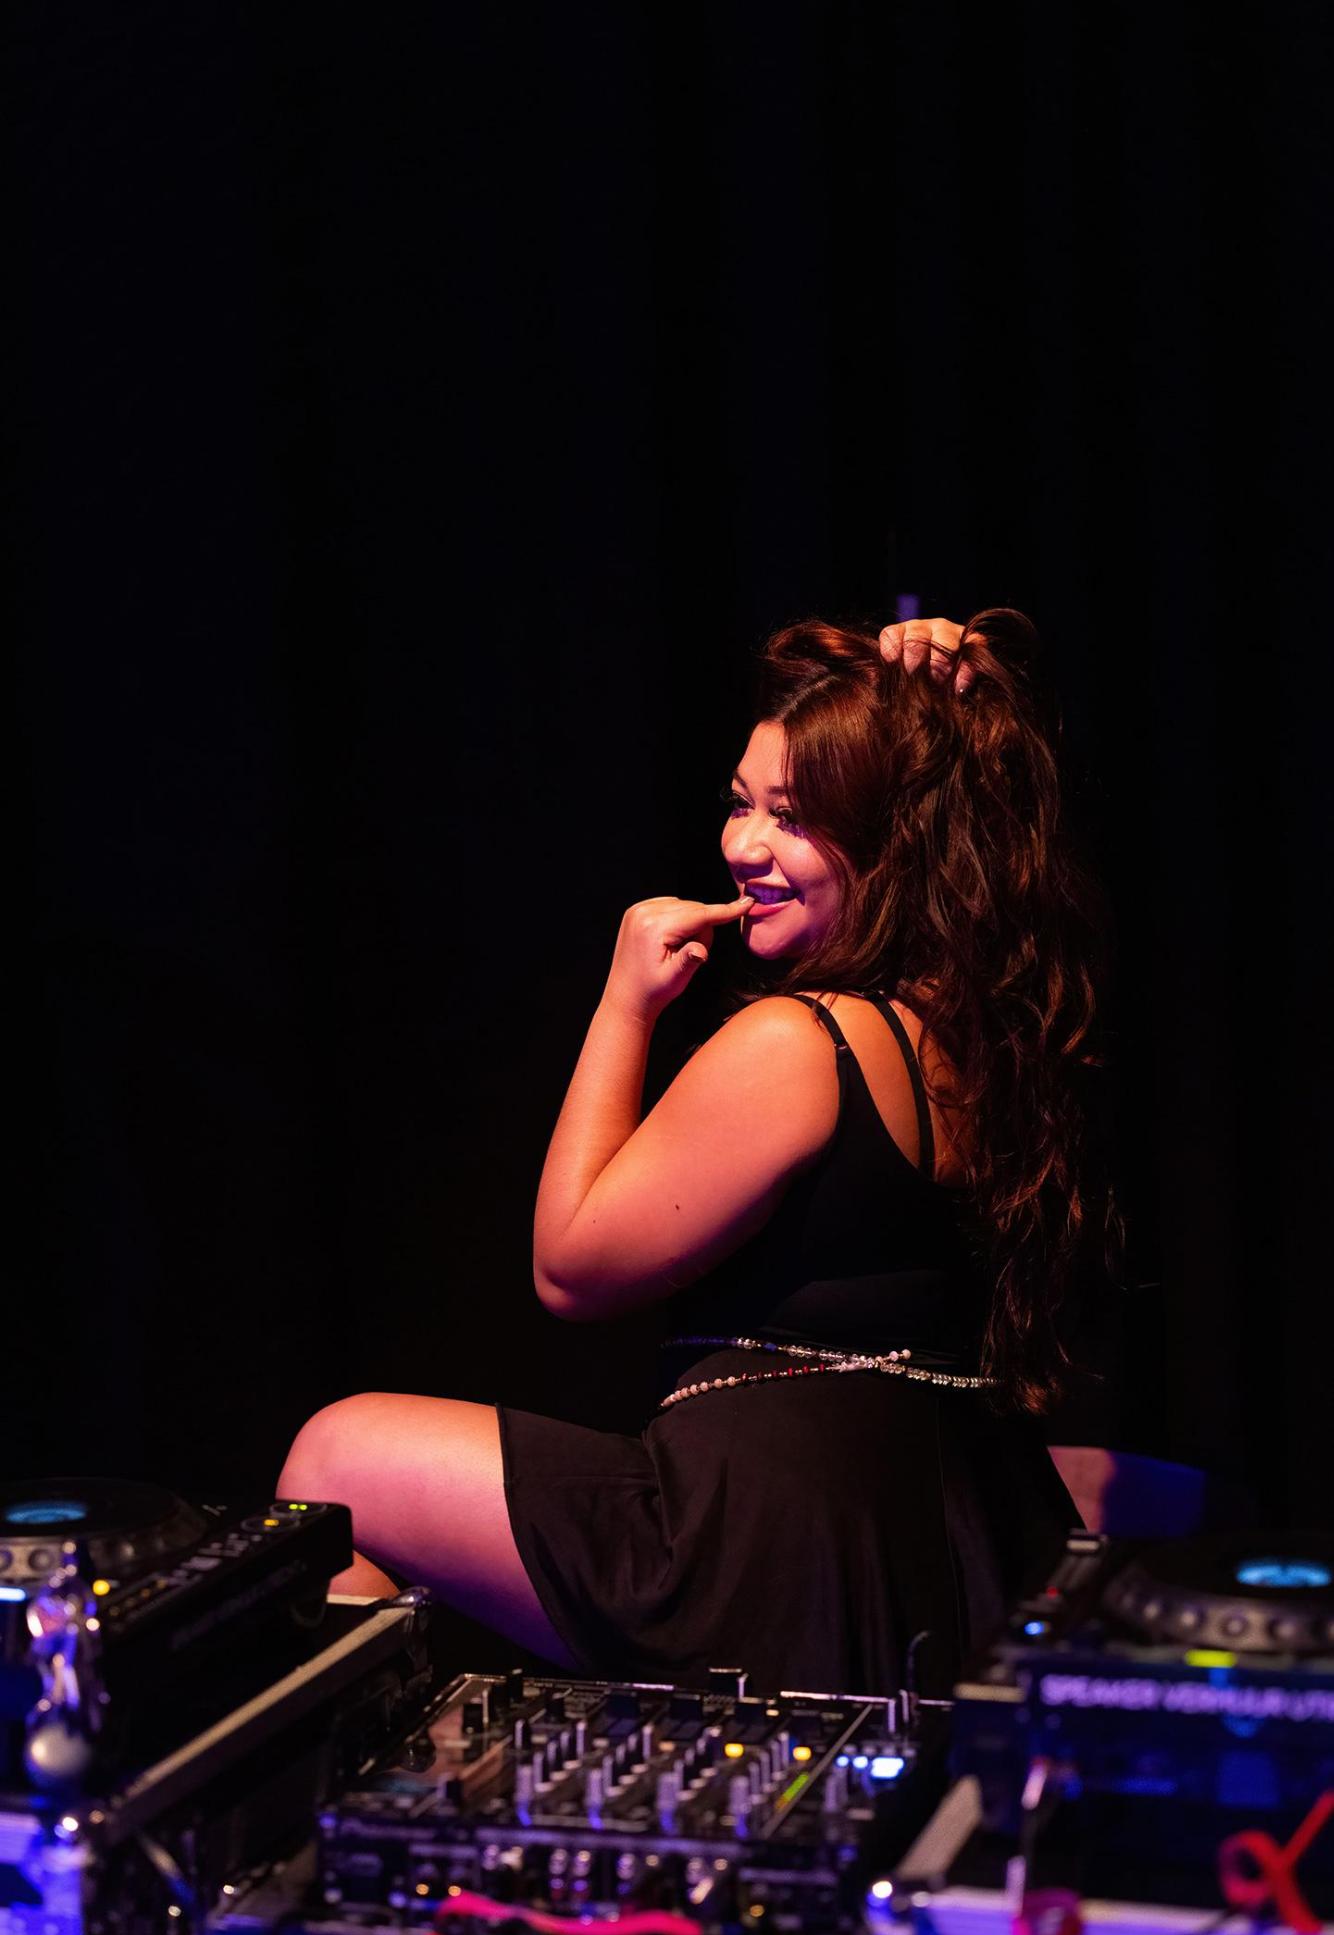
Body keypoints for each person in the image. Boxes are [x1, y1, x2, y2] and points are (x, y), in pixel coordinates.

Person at [276, 611, 1115, 1696]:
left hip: (765, 1556)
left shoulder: (796, 1041)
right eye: (740, 801)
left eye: (795, 818)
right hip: (907, 1546)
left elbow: (571, 1269)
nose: (740, 846)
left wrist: (623, 1006)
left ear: (894, 841)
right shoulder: (985, 1038)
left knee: (337, 1457)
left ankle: (356, 1832)